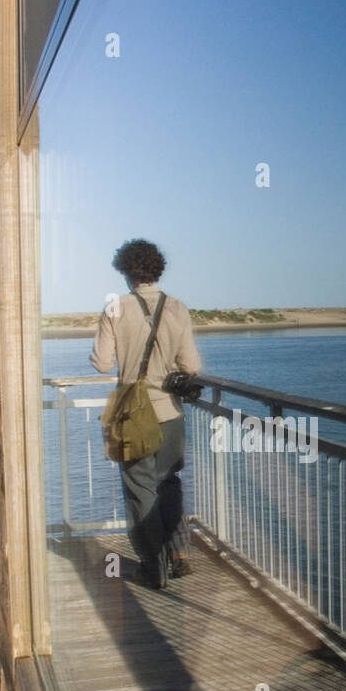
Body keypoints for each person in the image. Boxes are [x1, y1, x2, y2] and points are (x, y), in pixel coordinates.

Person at [90, 239, 202, 589]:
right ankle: (179, 554)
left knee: (140, 490)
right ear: (158, 270)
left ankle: (153, 569)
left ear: (126, 273)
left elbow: (102, 363)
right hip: (170, 411)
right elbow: (191, 365)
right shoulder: (178, 308)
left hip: (134, 417)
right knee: (168, 482)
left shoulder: (115, 309)